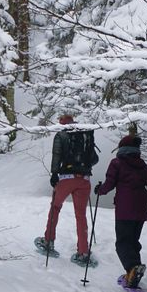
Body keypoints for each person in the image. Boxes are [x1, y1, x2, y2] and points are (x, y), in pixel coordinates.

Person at [95, 134, 147, 287]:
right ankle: (135, 270)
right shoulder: (143, 166)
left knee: (123, 242)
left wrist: (99, 190)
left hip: (124, 209)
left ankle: (132, 269)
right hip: (141, 209)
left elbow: (109, 184)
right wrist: (146, 199)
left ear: (122, 148)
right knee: (133, 241)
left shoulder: (117, 163)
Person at [35, 114, 98, 266]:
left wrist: (54, 174)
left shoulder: (61, 134)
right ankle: (83, 252)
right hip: (84, 180)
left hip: (66, 178)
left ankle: (48, 241)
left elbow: (56, 155)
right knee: (81, 216)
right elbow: (94, 159)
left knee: (55, 207)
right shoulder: (85, 134)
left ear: (62, 124)